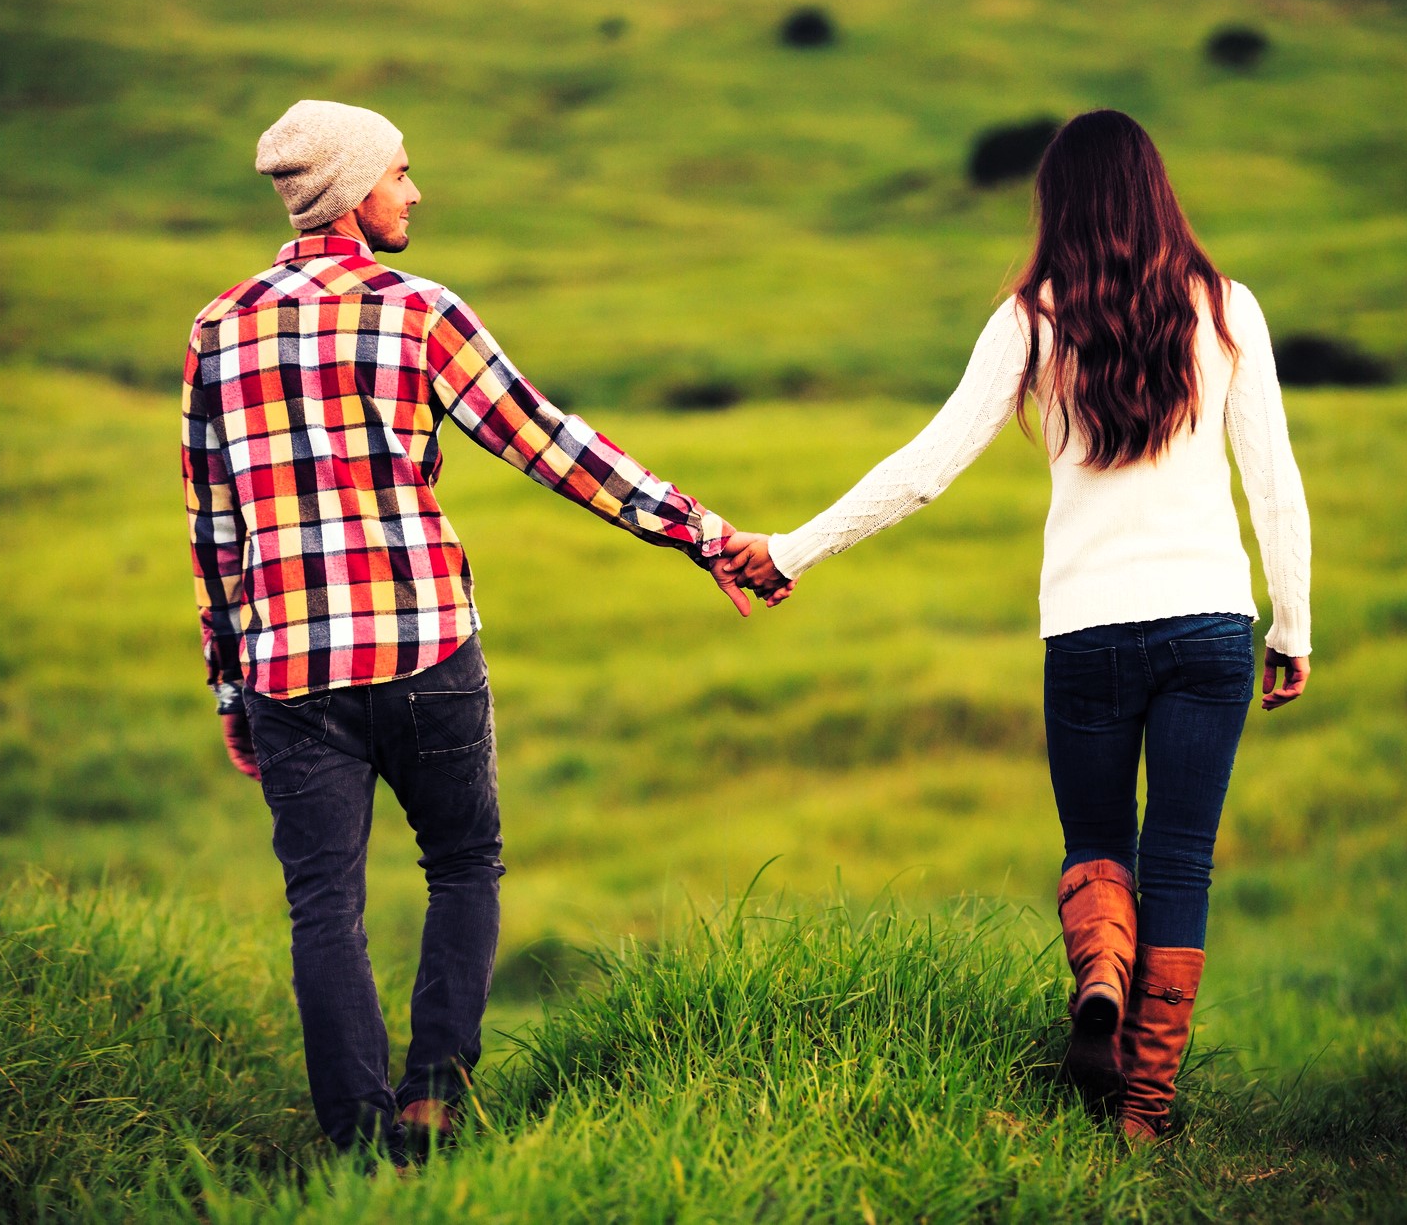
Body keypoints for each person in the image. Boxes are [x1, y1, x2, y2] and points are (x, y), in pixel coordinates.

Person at [180, 100, 785, 1163]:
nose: (414, 192)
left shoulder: (216, 329)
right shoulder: (417, 311)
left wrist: (232, 687)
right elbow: (550, 445)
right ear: (354, 192)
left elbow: (212, 526)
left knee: (323, 904)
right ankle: (432, 1097)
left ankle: (359, 1147)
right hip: (424, 645)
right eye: (400, 173)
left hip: (287, 670)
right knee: (463, 861)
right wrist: (699, 531)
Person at [719, 109, 1311, 1143]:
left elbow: (923, 469)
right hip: (1209, 623)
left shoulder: (1030, 319)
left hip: (1085, 629)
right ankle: (1144, 1109)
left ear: (1057, 205)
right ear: (1155, 192)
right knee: (1178, 858)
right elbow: (1275, 486)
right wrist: (1290, 626)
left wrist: (787, 549)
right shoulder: (1226, 309)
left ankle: (1101, 978)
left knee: (1096, 842)